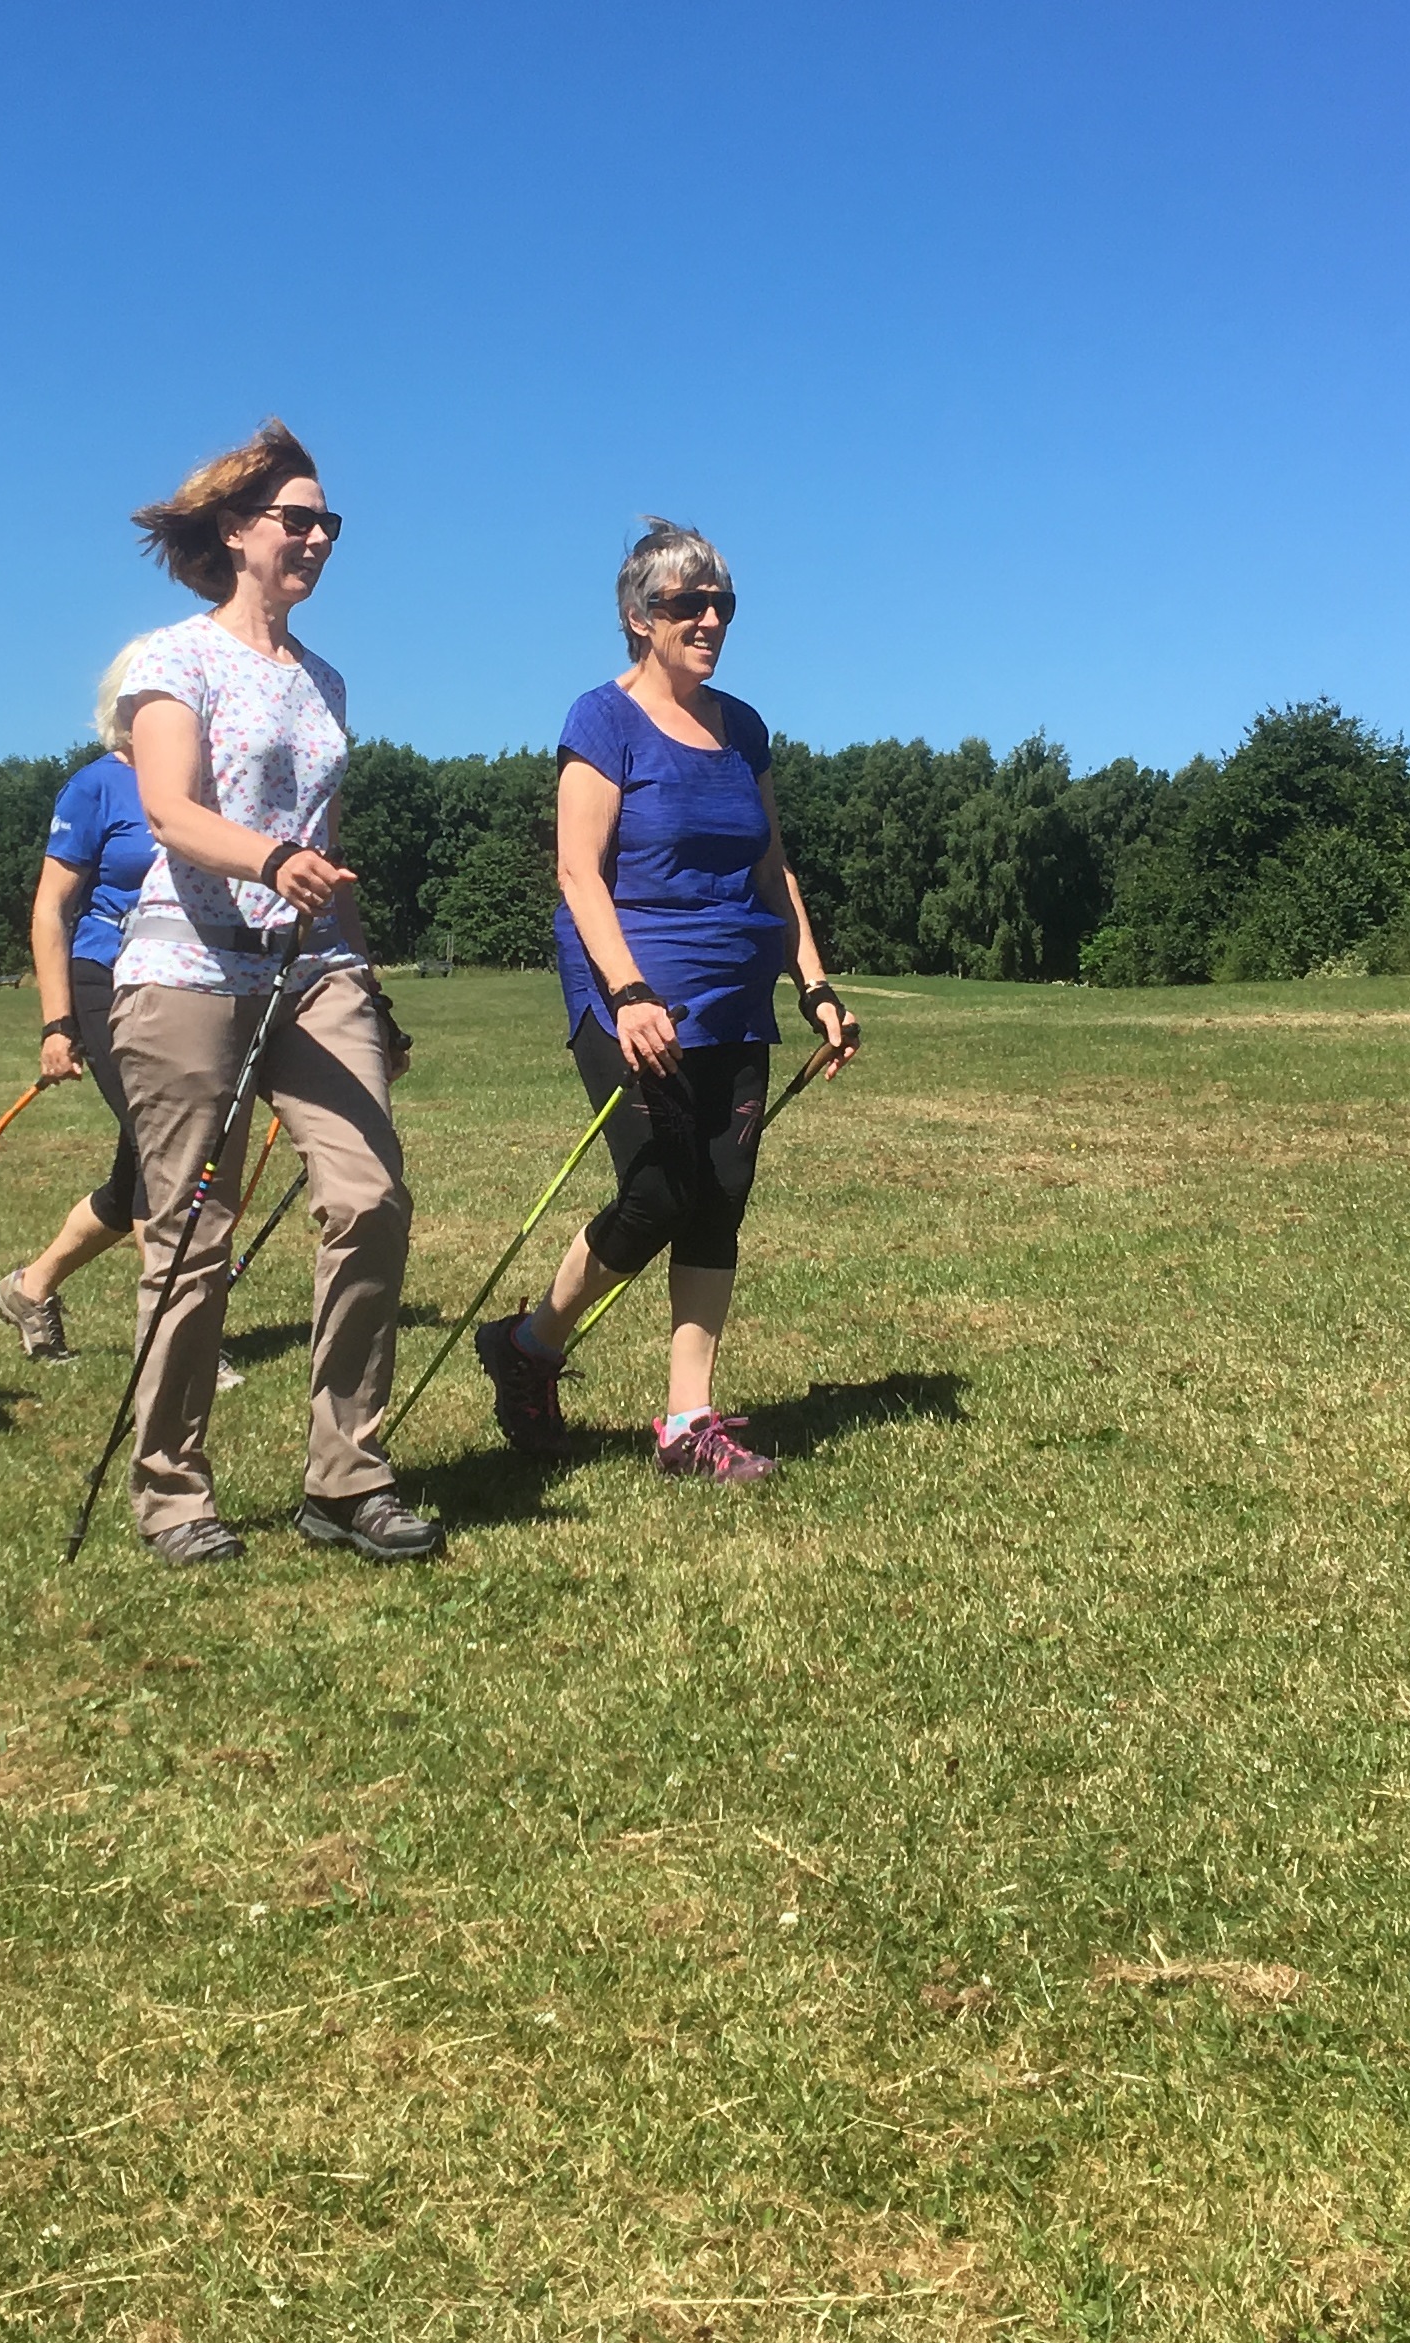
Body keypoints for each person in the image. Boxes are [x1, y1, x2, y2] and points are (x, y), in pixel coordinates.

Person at [105, 421, 436, 1566]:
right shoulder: (173, 657)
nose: (316, 537)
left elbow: (327, 847)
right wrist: (268, 859)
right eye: (296, 518)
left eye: (327, 523)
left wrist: (363, 970)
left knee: (370, 1195)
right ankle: (173, 1493)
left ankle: (346, 1476)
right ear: (237, 531)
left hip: (310, 974)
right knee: (194, 1232)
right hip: (188, 969)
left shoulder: (327, 681)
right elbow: (170, 810)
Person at [474, 520, 857, 1481]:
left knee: (719, 1194)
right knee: (655, 1189)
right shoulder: (601, 720)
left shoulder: (744, 728)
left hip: (735, 989)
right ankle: (529, 1345)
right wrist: (629, 990)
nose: (711, 618)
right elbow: (576, 869)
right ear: (639, 617)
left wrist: (815, 983)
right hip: (633, 992)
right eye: (688, 603)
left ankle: (691, 1421)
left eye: (722, 601)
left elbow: (771, 864)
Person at [0, 643, 156, 1362]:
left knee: (138, 1178)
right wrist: (58, 1023)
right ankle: (177, 1338)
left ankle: (30, 1286)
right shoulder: (95, 787)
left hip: (186, 986)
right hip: (107, 979)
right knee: (166, 1147)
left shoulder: (207, 781)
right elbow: (51, 909)